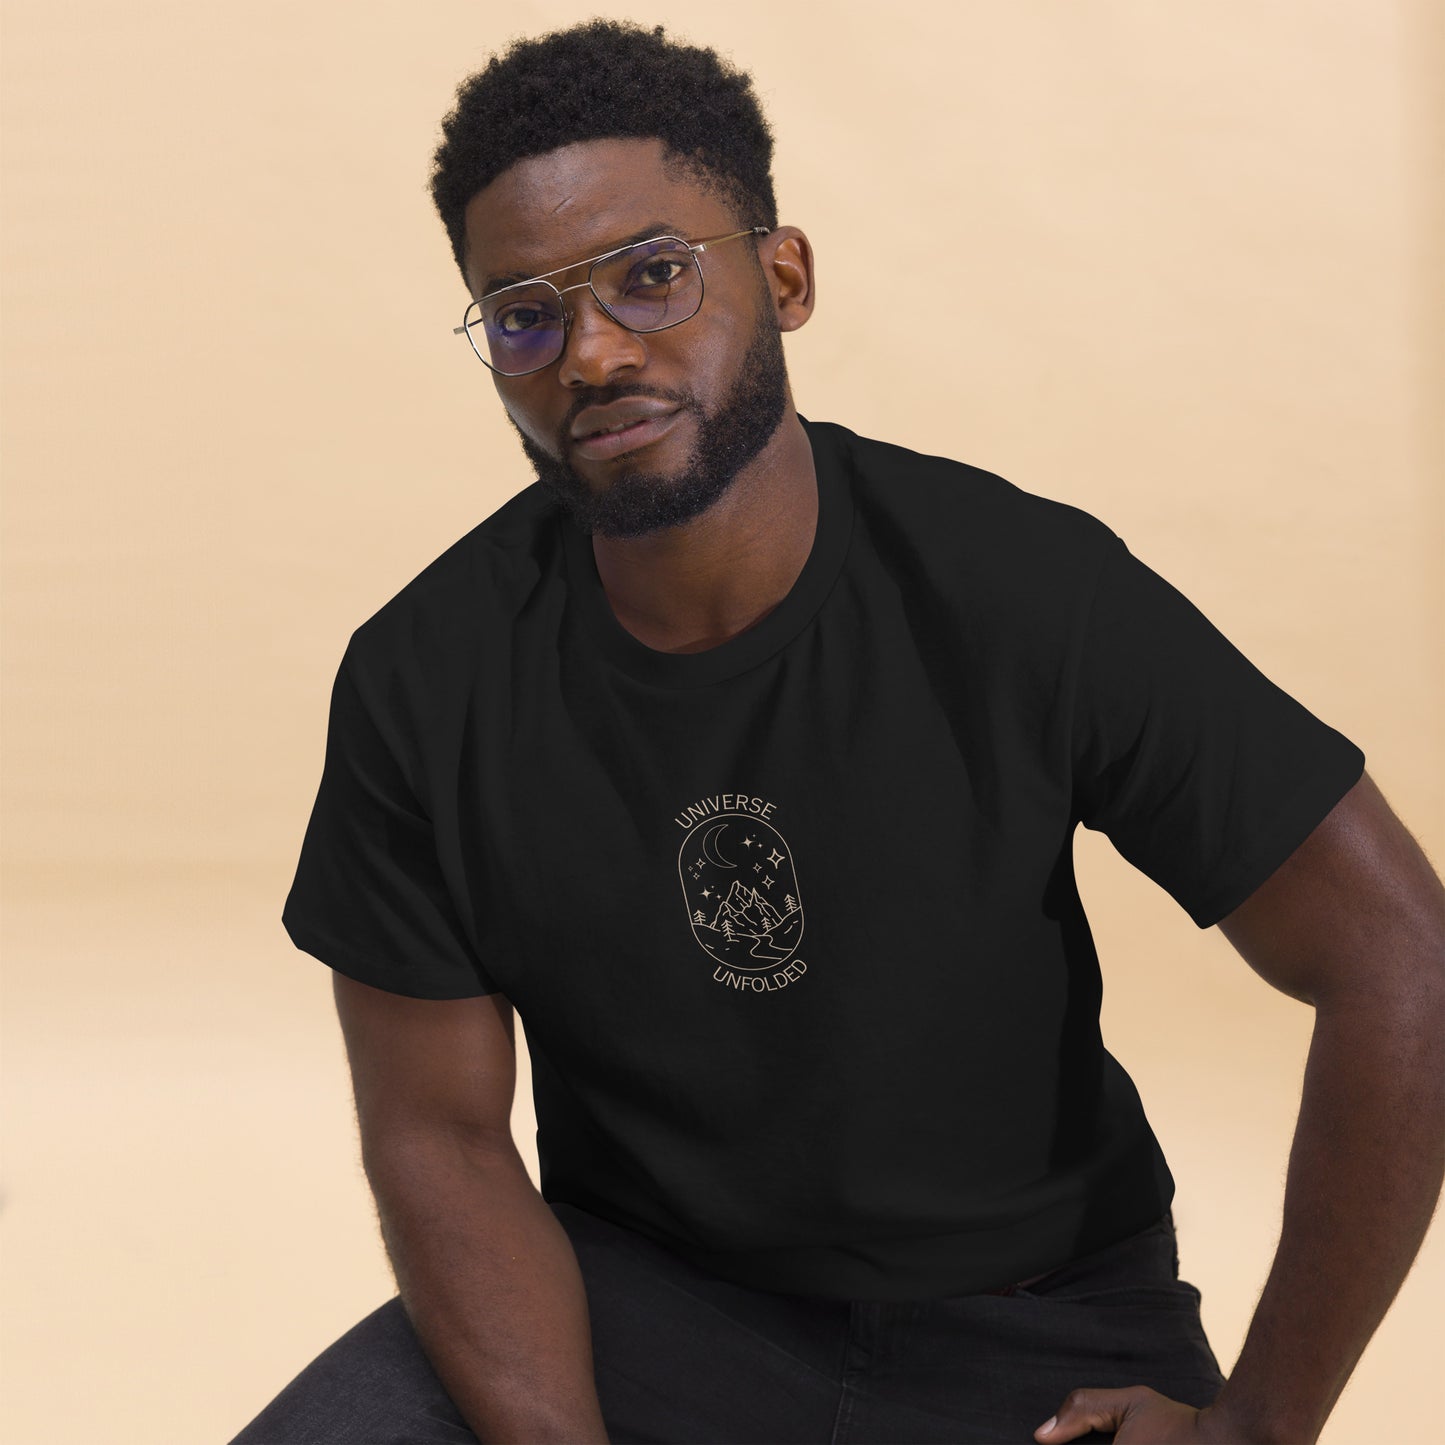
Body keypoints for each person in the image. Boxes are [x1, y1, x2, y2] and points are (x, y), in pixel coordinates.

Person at [230, 19, 1445, 1445]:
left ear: (783, 276)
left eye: (652, 274)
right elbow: (436, 1132)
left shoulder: (1014, 588)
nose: (594, 351)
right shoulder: (422, 679)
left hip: (1032, 1330)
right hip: (638, 1307)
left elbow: (1397, 958)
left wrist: (1258, 1424)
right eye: (524, 316)